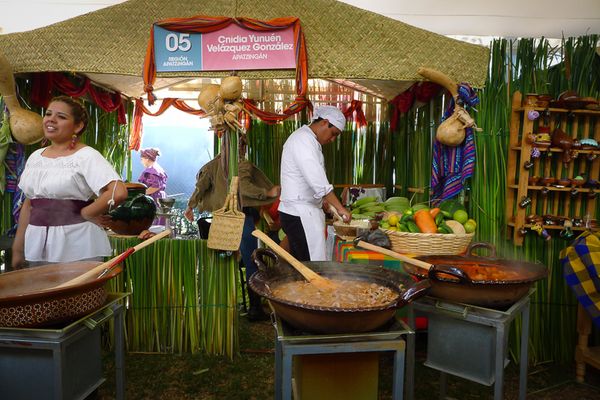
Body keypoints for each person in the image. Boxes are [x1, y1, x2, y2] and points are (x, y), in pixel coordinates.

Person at [11, 96, 128, 269]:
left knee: (76, 295)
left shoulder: (87, 156)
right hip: (37, 243)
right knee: (43, 295)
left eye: (61, 116)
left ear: (78, 126)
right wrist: (18, 249)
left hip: (77, 242)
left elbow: (118, 192)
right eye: (48, 114)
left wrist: (87, 212)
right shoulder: (36, 157)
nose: (51, 119)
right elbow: (29, 204)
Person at [184, 151, 279, 321]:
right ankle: (254, 308)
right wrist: (267, 193)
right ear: (241, 144)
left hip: (221, 220)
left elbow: (201, 186)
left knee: (223, 259)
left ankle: (221, 305)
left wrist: (190, 206)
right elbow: (244, 187)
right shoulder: (240, 163)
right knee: (250, 261)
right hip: (241, 218)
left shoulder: (212, 165)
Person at [278, 105, 351, 261]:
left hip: (303, 212)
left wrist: (325, 203)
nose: (332, 140)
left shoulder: (309, 140)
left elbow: (309, 180)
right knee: (309, 267)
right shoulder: (302, 140)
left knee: (305, 265)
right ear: (325, 122)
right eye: (333, 134)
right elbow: (318, 182)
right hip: (300, 213)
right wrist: (340, 208)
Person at [138, 147, 168, 225]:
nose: (141, 161)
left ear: (147, 159)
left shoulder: (152, 170)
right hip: (158, 198)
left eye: (142, 159)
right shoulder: (157, 168)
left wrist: (141, 194)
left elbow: (155, 186)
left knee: (154, 223)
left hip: (154, 199)